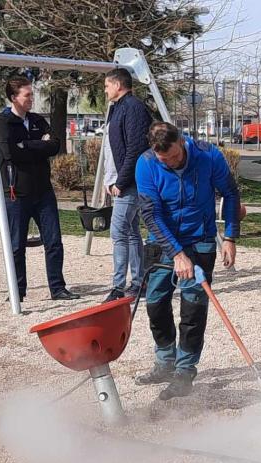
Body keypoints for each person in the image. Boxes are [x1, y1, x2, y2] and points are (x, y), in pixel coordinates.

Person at [134, 122, 241, 400]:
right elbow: (151, 214)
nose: (170, 163)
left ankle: (185, 371)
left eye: (174, 156)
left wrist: (229, 236)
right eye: (164, 160)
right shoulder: (146, 164)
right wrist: (177, 253)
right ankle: (165, 361)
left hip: (201, 239)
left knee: (193, 308)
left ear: (182, 141)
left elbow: (230, 193)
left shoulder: (209, 156)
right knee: (155, 304)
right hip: (161, 241)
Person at [0, 76, 80, 302]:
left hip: (43, 191)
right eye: (27, 95)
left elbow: (54, 145)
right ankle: (18, 290)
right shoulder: (3, 123)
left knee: (53, 242)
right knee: (16, 246)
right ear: (14, 97)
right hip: (16, 193)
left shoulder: (36, 120)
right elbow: (11, 153)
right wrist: (38, 145)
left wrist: (30, 145)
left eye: (32, 94)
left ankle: (58, 288)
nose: (32, 99)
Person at [102, 68, 152, 302]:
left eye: (107, 86)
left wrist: (121, 181)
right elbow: (114, 149)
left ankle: (118, 286)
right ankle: (139, 281)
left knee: (118, 231)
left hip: (130, 181)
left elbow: (135, 148)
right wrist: (110, 178)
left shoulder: (133, 108)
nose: (105, 90)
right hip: (121, 179)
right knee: (131, 232)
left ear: (118, 85)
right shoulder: (117, 108)